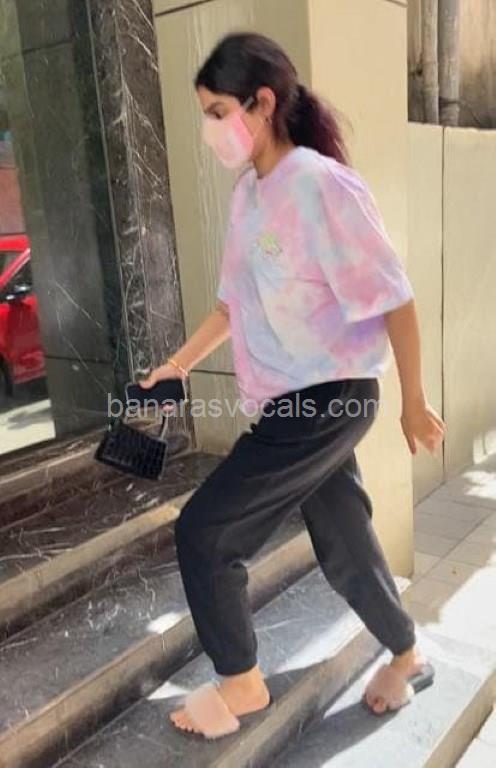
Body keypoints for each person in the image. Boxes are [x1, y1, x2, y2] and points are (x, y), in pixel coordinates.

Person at [140, 32, 445, 740]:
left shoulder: (320, 184)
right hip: (294, 401)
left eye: (218, 112)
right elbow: (231, 306)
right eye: (206, 114)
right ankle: (407, 653)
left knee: (206, 532)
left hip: (328, 398)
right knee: (344, 542)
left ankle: (242, 685)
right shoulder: (249, 196)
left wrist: (415, 400)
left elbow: (395, 298)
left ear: (263, 102)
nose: (211, 129)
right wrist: (176, 366)